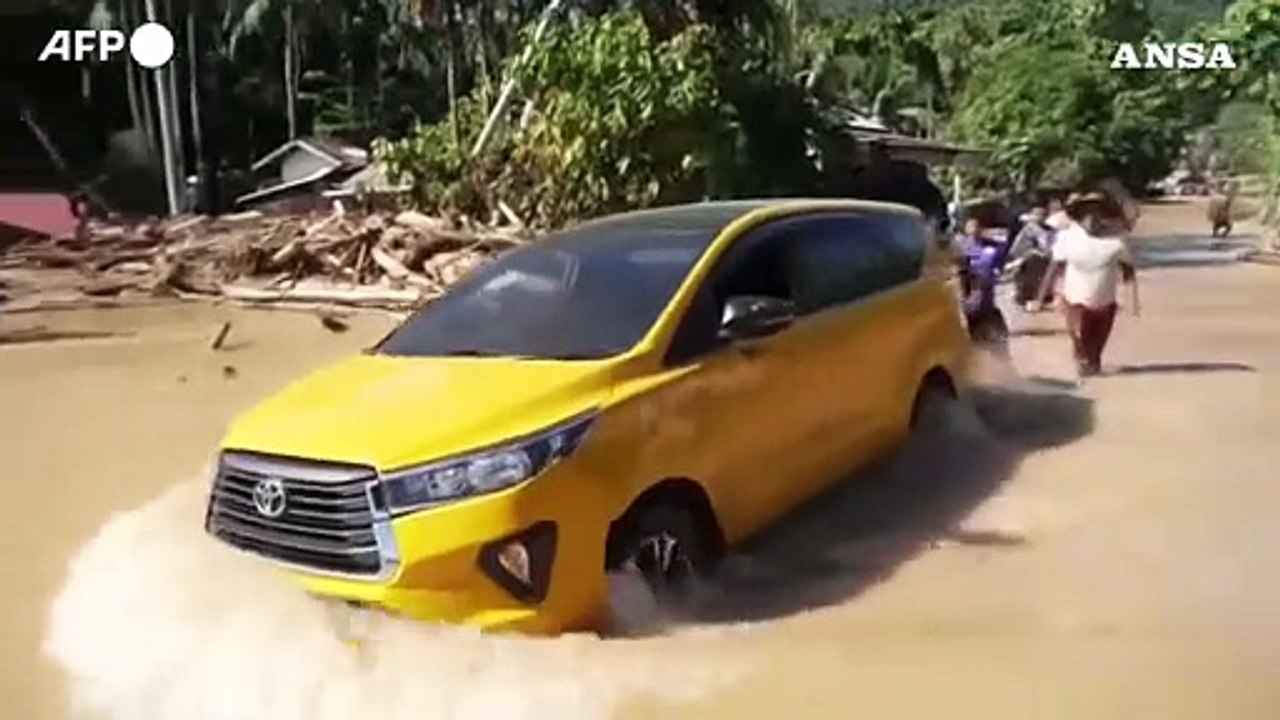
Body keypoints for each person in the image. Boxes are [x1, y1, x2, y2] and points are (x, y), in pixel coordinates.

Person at [1031, 198, 1139, 377]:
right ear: (1079, 218)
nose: (1092, 220)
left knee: (1096, 348)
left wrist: (1132, 300)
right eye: (1087, 216)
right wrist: (1039, 298)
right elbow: (1053, 268)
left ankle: (1093, 369)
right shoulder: (1067, 238)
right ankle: (1082, 364)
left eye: (1097, 215)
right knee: (1080, 336)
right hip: (1075, 298)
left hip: (1105, 300)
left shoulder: (1116, 241)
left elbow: (1128, 269)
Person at [955, 217, 1009, 344]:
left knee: (987, 307)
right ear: (965, 229)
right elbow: (958, 264)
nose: (973, 230)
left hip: (985, 283)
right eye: (970, 227)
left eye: (976, 227)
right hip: (971, 281)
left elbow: (1001, 254)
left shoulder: (989, 245)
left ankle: (993, 338)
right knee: (973, 309)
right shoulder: (961, 244)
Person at [1007, 205, 1054, 308]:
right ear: (1032, 215)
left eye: (1043, 214)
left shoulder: (1050, 229)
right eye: (1037, 214)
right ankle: (1024, 298)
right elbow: (1016, 249)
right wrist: (1031, 252)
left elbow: (1053, 244)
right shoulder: (1027, 229)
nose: (1040, 216)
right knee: (1027, 282)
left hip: (1045, 261)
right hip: (1029, 260)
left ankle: (1038, 298)